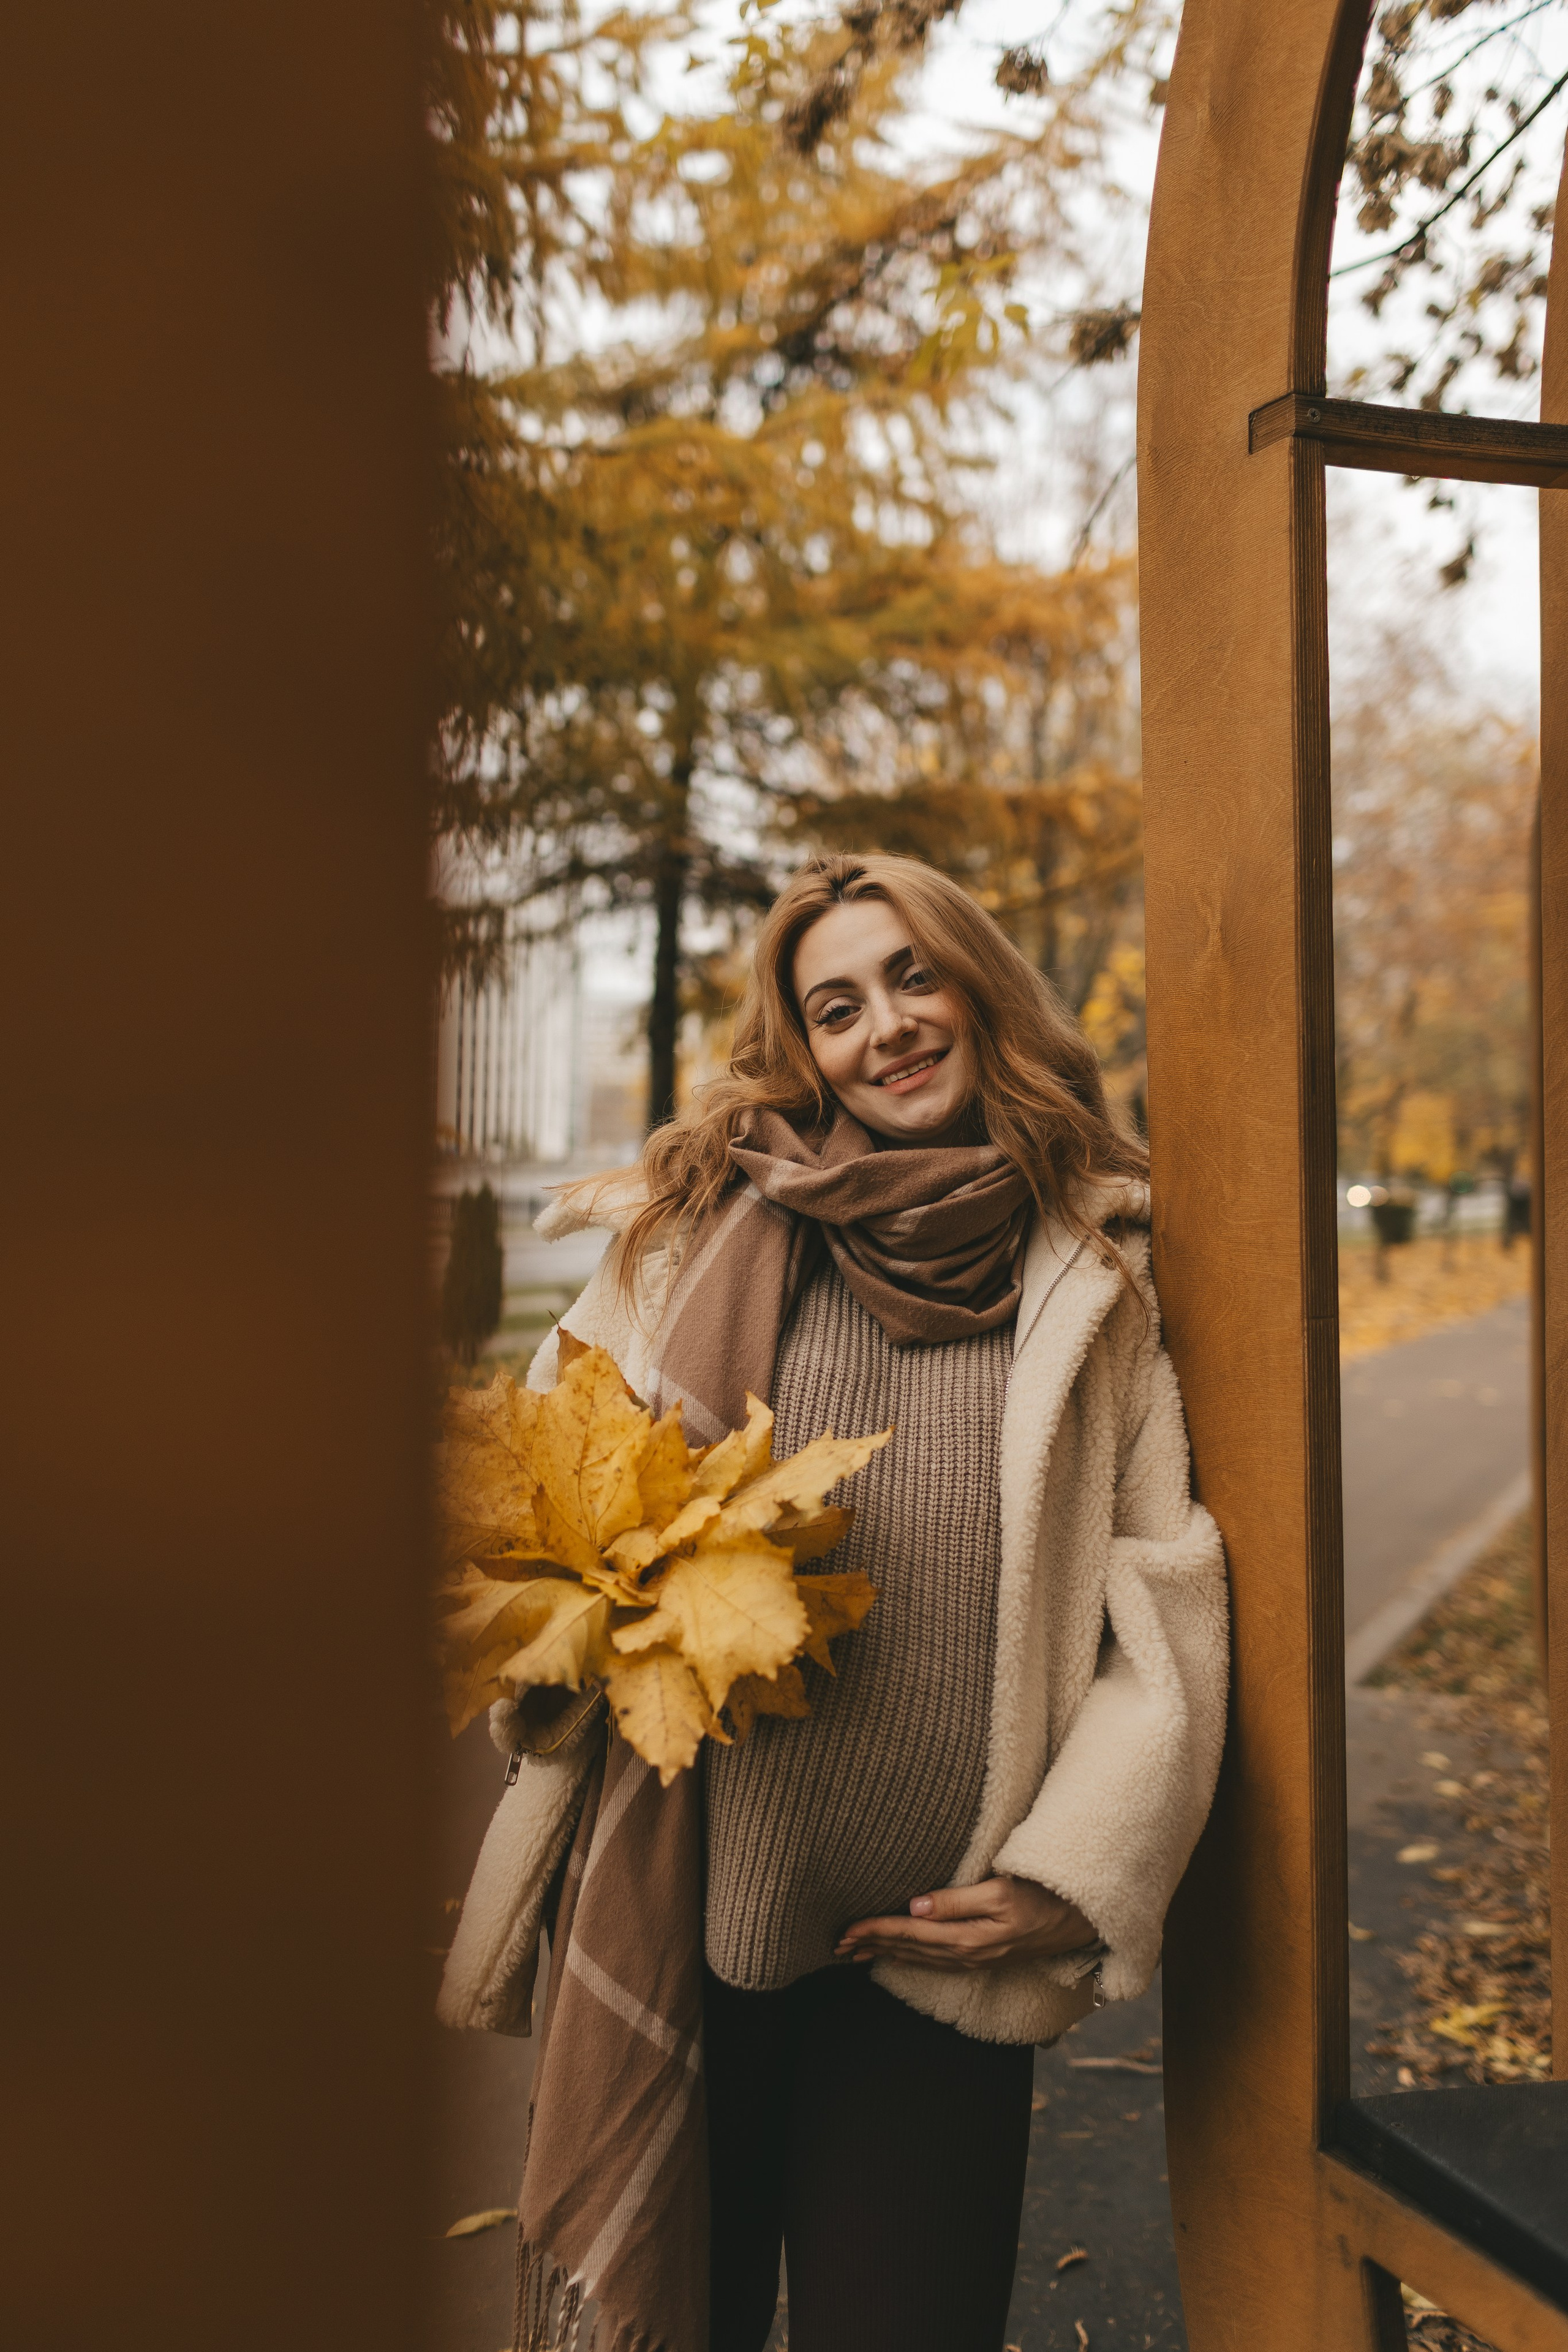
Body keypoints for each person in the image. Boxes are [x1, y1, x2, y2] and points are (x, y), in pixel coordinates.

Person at [441, 852, 1229, 2352]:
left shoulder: (1096, 1266)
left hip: (930, 1955)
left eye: (912, 976)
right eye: (837, 1005)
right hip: (681, 1907)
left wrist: (1070, 1877)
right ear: (801, 1046)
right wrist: (553, 1660)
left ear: (976, 985)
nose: (887, 1026)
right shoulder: (684, 1236)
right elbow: (532, 1502)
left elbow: (1162, 1586)